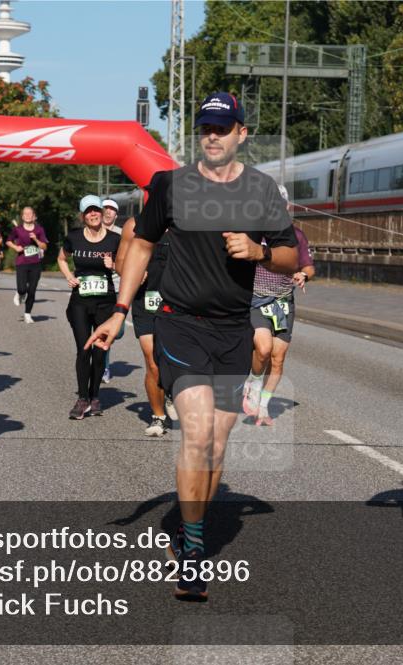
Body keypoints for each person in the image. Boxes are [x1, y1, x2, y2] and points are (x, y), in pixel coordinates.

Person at [86, 92, 298, 601]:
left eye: (223, 128)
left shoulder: (261, 190)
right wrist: (119, 312)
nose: (212, 135)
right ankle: (195, 553)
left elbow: (291, 256)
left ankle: (190, 526)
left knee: (217, 444)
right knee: (197, 432)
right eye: (205, 127)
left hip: (233, 331)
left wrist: (260, 250)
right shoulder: (170, 185)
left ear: (242, 134)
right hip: (179, 324)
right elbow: (140, 243)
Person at [242, 199, 315, 426]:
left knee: (278, 358)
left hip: (283, 302)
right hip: (255, 300)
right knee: (263, 349)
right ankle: (253, 382)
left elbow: (308, 266)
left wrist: (304, 275)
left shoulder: (297, 236)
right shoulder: (254, 232)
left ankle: (263, 407)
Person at [58, 195, 120, 419]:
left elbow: (125, 268)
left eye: (96, 210)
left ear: (102, 212)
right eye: (88, 211)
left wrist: (113, 265)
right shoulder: (74, 237)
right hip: (80, 302)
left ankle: (95, 396)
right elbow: (62, 259)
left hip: (106, 301)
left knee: (100, 349)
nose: (93, 214)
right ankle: (82, 398)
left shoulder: (114, 239)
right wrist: (68, 277)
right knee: (84, 348)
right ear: (83, 215)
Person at [114, 216, 171, 437]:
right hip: (146, 299)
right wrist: (132, 272)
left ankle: (171, 391)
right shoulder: (133, 225)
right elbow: (120, 262)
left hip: (178, 300)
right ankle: (158, 416)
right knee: (152, 360)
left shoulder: (187, 220)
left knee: (174, 360)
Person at [6, 206, 48, 324]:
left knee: (32, 290)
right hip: (22, 262)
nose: (28, 216)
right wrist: (15, 247)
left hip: (35, 263)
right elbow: (8, 241)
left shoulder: (39, 230)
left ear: (34, 216)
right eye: (25, 214)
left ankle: (27, 314)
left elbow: (44, 246)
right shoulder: (17, 230)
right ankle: (19, 293)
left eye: (30, 214)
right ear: (22, 216)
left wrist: (36, 240)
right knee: (22, 288)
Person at [100, 198, 123, 384]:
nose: (108, 212)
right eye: (105, 208)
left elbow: (131, 260)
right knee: (100, 329)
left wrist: (114, 265)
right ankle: (103, 365)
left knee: (119, 331)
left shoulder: (123, 235)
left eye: (112, 209)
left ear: (116, 214)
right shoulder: (91, 232)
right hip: (96, 287)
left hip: (117, 287)